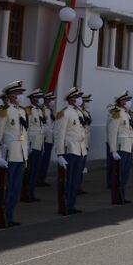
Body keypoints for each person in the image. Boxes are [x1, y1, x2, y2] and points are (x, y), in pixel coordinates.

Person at [0, 81, 30, 228]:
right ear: (11, 96)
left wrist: (26, 152)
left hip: (21, 155)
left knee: (15, 189)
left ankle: (10, 215)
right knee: (5, 188)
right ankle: (0, 217)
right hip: (9, 155)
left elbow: (24, 133)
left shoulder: (21, 111)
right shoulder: (3, 111)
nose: (21, 96)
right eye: (18, 93)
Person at [52, 87, 87, 215]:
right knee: (68, 180)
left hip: (79, 150)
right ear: (72, 99)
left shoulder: (78, 112)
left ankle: (71, 204)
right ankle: (64, 205)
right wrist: (60, 154)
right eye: (78, 97)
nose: (80, 99)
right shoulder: (64, 113)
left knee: (75, 180)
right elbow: (59, 134)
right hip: (70, 151)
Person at [106, 91, 133, 204]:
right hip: (120, 147)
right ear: (121, 102)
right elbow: (112, 132)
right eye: (126, 100)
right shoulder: (116, 113)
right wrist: (113, 150)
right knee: (118, 174)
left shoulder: (127, 113)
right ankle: (116, 197)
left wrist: (132, 149)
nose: (128, 102)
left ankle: (122, 196)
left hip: (128, 147)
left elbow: (130, 132)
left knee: (125, 174)